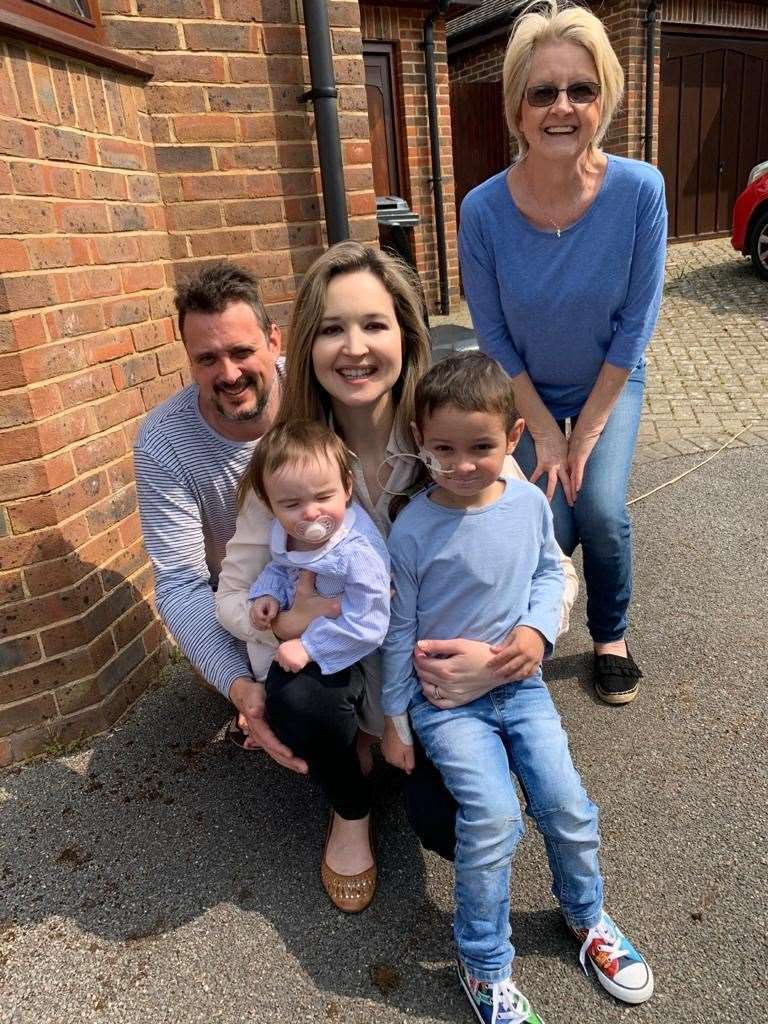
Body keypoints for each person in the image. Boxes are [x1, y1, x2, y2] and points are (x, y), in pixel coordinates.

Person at [214, 241, 579, 908]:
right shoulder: (291, 459)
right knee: (296, 699)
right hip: (343, 669)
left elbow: (550, 569)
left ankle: (409, 752)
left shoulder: (456, 444)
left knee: (448, 827)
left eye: (374, 325)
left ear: (407, 337)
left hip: (435, 686)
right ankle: (349, 804)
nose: (354, 347)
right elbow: (233, 595)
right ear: (306, 345)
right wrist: (289, 620)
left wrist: (506, 656)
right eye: (331, 328)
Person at [381, 352, 654, 1023]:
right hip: (446, 706)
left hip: (521, 685)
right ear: (421, 441)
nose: (465, 463)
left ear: (512, 439)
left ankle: (586, 916)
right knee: (494, 818)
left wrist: (536, 633)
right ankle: (484, 965)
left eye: (481, 446)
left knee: (566, 803)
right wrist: (393, 716)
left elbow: (543, 575)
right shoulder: (411, 529)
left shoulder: (530, 503)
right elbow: (396, 631)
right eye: (444, 448)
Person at [458, 0, 667, 705]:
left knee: (601, 508)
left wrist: (588, 433)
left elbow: (635, 325)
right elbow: (492, 335)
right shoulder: (482, 210)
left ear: (601, 100)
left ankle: (610, 633)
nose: (563, 107)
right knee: (542, 513)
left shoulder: (641, 192)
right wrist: (546, 431)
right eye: (543, 91)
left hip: (611, 381)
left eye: (581, 89)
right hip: (525, 391)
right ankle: (533, 626)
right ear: (518, 107)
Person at [134, 261, 340, 777]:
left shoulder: (318, 391)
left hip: (339, 578)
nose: (227, 374)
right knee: (291, 708)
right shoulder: (164, 442)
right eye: (207, 359)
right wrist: (238, 684)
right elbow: (181, 583)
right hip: (247, 605)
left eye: (242, 351)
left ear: (274, 340)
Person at [220, 419, 390, 912]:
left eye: (322, 497)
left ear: (348, 488)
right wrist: (267, 599)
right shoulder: (289, 534)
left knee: (298, 682)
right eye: (291, 505)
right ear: (271, 506)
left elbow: (369, 624)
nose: (310, 514)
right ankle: (336, 762)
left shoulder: (357, 552)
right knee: (290, 701)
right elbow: (281, 567)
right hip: (310, 639)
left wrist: (311, 645)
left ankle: (361, 744)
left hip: (358, 650)